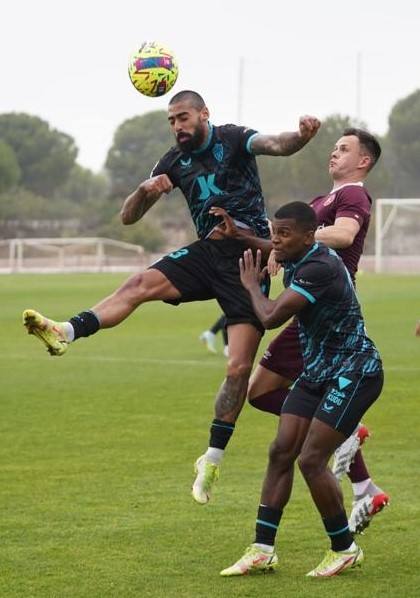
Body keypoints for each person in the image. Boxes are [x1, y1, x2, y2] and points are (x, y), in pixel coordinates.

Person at [22, 90, 320, 505]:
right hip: (206, 254)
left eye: (183, 117)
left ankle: (211, 459)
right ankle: (66, 331)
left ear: (203, 114)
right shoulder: (172, 161)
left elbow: (276, 144)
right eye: (171, 121)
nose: (177, 126)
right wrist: (147, 190)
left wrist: (301, 137)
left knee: (237, 369)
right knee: (138, 285)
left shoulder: (233, 139)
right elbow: (128, 217)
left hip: (248, 259)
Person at [212, 128, 389, 533]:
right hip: (307, 312)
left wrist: (292, 244)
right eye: (334, 146)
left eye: (344, 149)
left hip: (323, 310)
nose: (333, 152)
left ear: (363, 161)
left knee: (259, 393)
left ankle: (344, 438)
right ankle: (362, 481)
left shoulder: (352, 196)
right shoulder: (318, 201)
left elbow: (343, 235)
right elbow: (283, 242)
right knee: (267, 400)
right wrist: (246, 236)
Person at [220, 201, 384, 578]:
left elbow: (271, 314)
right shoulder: (296, 251)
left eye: (284, 234)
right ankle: (262, 549)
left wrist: (249, 284)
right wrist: (242, 235)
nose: (275, 240)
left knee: (310, 459)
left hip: (355, 370)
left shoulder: (319, 266)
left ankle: (345, 548)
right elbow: (270, 246)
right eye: (274, 232)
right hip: (317, 372)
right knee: (281, 451)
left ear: (310, 236)